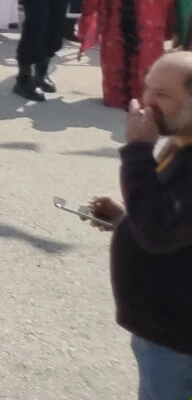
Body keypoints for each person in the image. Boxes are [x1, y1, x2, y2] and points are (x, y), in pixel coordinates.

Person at [82, 51, 192, 400]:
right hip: (163, 328)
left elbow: (158, 233)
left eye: (162, 94)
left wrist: (138, 150)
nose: (147, 101)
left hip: (176, 336)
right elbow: (171, 219)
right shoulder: (181, 142)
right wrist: (124, 219)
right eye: (147, 89)